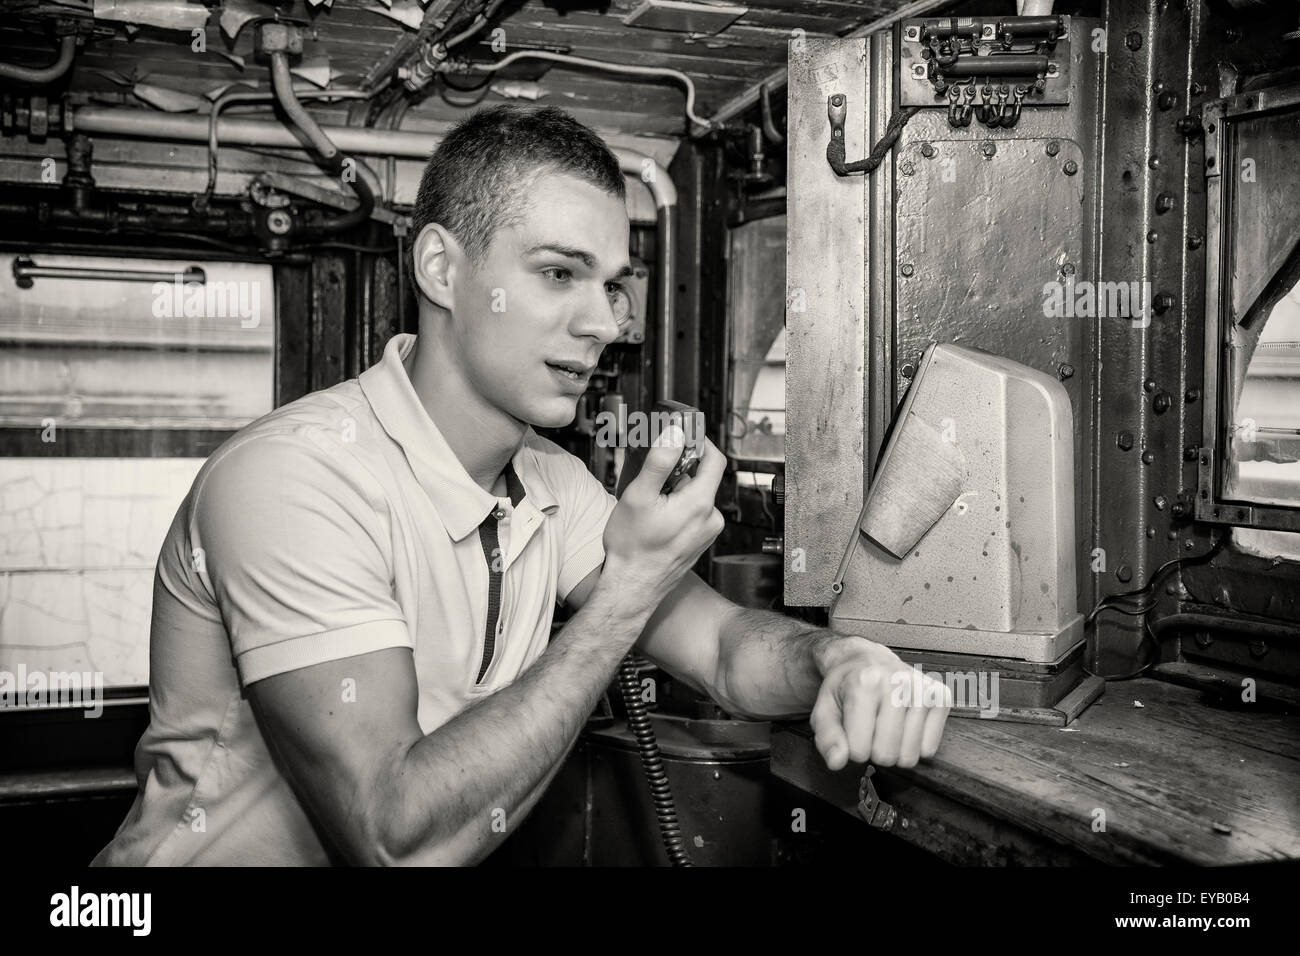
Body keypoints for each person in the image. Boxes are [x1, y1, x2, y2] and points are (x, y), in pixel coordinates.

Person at [92, 104, 951, 866]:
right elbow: (394, 839)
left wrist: (839, 662)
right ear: (440, 268)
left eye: (612, 285)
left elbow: (724, 651)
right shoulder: (294, 478)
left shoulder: (549, 482)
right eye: (556, 274)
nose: (604, 323)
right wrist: (623, 599)